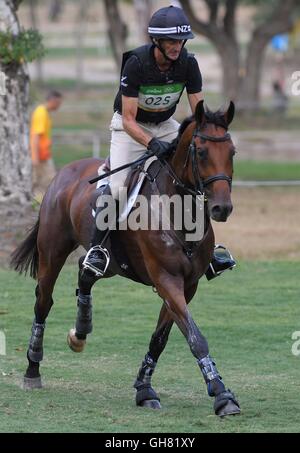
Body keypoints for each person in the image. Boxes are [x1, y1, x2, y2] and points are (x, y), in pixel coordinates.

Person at [83, 5, 235, 279]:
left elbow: (199, 115)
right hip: (129, 128)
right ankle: (97, 251)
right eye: (171, 41)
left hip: (165, 125)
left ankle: (207, 253)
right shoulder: (137, 64)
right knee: (117, 187)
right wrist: (151, 144)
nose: (177, 46)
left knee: (193, 175)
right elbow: (129, 119)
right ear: (157, 41)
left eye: (180, 41)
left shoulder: (188, 63)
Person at [30, 90, 63, 199]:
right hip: (40, 157)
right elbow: (35, 136)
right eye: (58, 103)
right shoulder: (41, 113)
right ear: (53, 101)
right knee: (48, 182)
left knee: (44, 183)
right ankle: (41, 206)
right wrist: (35, 159)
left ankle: (40, 204)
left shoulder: (44, 113)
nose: (59, 106)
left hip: (43, 155)